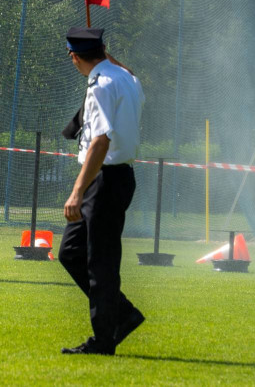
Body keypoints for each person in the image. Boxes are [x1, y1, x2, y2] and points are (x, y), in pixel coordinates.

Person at [58, 26, 146, 356]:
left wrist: (77, 192)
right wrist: (104, 56)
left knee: (100, 263)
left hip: (104, 179)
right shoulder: (124, 77)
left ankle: (104, 339)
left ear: (74, 57)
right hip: (115, 178)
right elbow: (130, 71)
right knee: (71, 252)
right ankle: (122, 315)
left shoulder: (101, 86)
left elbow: (100, 140)